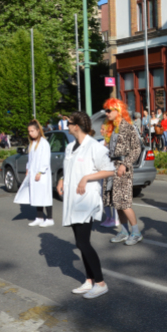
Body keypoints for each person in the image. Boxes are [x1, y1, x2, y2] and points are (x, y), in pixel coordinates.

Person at [57, 111, 116, 299]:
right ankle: (89, 280)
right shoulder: (70, 147)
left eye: (69, 123)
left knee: (83, 242)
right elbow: (71, 169)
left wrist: (87, 177)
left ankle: (100, 282)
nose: (67, 126)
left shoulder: (94, 147)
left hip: (87, 200)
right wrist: (61, 179)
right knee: (80, 243)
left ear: (76, 126)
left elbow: (109, 170)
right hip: (73, 200)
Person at [102, 99, 144, 246]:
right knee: (116, 203)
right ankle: (124, 231)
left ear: (118, 111)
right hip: (111, 167)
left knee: (124, 203)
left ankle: (136, 232)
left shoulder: (128, 127)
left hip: (122, 168)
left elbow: (136, 149)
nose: (106, 113)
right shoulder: (111, 128)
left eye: (109, 110)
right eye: (106, 110)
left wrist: (125, 164)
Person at [14, 120, 54, 227]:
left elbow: (45, 159)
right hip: (33, 173)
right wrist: (28, 168)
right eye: (29, 131)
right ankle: (39, 217)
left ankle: (50, 218)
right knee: (37, 195)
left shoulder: (44, 143)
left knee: (45, 195)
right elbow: (30, 159)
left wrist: (40, 171)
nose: (30, 133)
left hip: (42, 174)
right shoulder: (33, 144)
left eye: (32, 131)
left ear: (37, 130)